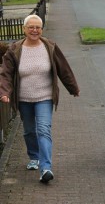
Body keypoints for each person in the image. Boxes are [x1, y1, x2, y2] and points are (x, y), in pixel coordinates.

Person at [0, 14, 80, 183]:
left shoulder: (50, 47)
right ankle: (34, 157)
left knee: (43, 129)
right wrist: (4, 92)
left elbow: (63, 68)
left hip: (44, 97)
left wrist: (73, 88)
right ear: (24, 29)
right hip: (23, 99)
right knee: (29, 131)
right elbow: (6, 74)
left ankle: (45, 168)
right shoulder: (14, 49)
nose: (34, 30)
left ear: (41, 29)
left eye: (38, 27)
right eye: (31, 27)